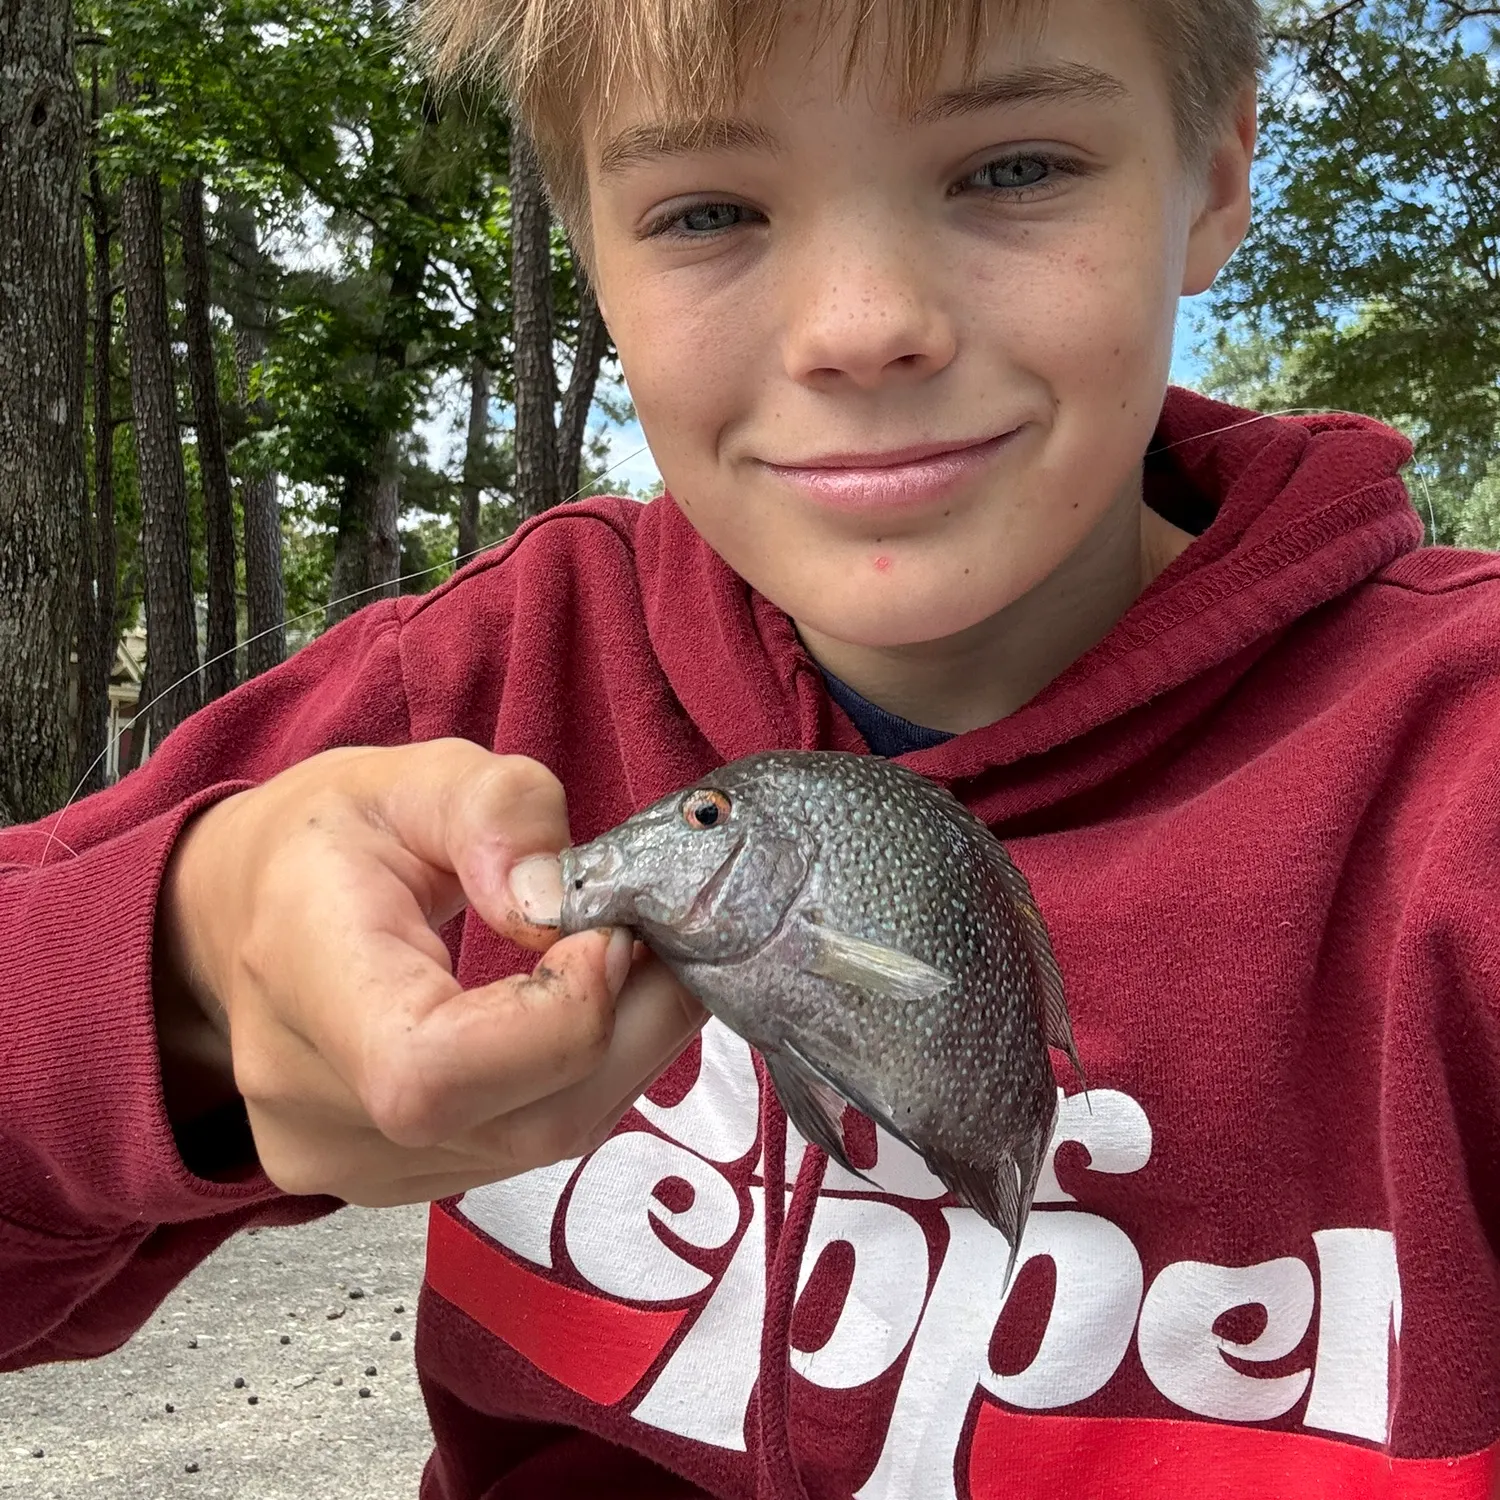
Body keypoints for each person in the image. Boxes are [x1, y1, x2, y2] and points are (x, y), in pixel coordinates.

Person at [3, 0, 1498, 1494]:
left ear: (1218, 175)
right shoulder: (481, 693)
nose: (859, 326)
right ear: (590, 246)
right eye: (707, 209)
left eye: (1014, 169)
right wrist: (181, 977)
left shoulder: (1462, 773)